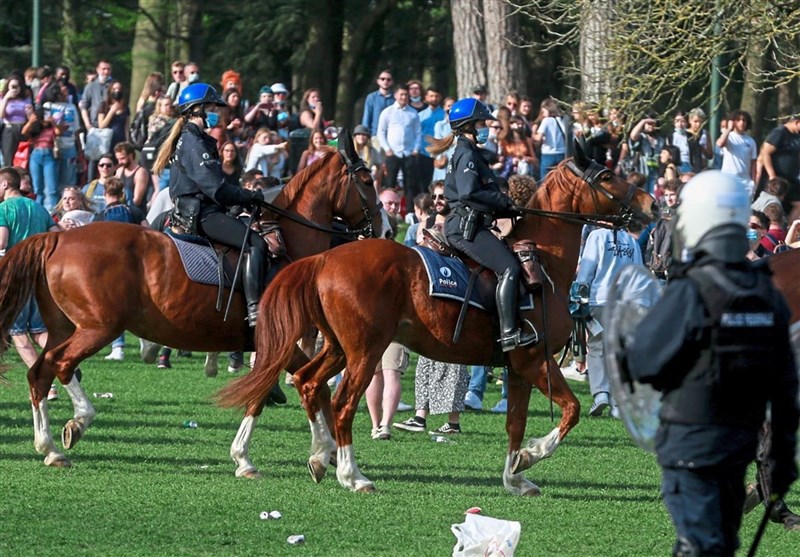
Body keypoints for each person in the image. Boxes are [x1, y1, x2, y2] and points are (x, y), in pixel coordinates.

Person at [624, 171, 799, 556]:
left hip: (691, 446)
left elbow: (645, 365)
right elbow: (786, 387)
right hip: (737, 446)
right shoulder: (765, 294)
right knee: (718, 542)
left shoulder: (692, 289)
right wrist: (783, 460)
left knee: (701, 546)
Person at [152, 83, 266, 326]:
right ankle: (255, 308)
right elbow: (215, 187)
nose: (216, 114)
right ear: (196, 110)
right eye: (212, 108)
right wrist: (248, 196)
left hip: (204, 208)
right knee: (255, 242)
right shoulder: (193, 141)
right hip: (200, 213)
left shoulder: (197, 139)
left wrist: (236, 204)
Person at [428, 97, 535, 352]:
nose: (485, 127)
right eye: (481, 123)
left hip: (471, 224)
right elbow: (468, 193)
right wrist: (504, 202)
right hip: (466, 228)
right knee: (509, 268)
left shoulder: (469, 152)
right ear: (469, 126)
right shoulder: (466, 153)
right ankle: (509, 332)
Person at [0, 167, 61, 398]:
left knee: (17, 333)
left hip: (16, 278)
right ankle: (67, 364)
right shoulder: (39, 207)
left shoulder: (3, 209)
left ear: (5, 185)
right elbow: (58, 235)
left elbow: (2, 242)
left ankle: (48, 385)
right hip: (40, 276)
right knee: (39, 331)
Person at [573, 221, 643, 417]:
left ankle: (601, 393)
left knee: (596, 348)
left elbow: (586, 270)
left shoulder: (596, 236)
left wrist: (578, 294)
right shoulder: (631, 240)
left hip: (600, 299)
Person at [377, 83, 421, 213]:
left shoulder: (413, 113)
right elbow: (381, 132)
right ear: (395, 95)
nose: (404, 97)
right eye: (401, 94)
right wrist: (387, 149)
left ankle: (409, 212)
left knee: (410, 184)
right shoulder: (387, 112)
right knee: (390, 183)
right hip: (393, 153)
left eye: (406, 95)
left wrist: (416, 149)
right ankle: (387, 211)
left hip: (409, 153)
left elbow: (418, 133)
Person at [757, 111, 800, 222]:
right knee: (771, 207)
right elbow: (765, 152)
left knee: (798, 204)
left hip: (791, 179)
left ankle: (788, 233)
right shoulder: (779, 132)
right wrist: (772, 175)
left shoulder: (797, 136)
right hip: (776, 180)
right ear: (797, 122)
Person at [361, 70, 395, 139]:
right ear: (378, 81)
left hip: (392, 136)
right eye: (382, 79)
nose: (385, 81)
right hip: (375, 135)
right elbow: (367, 117)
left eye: (388, 79)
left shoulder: (396, 98)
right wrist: (365, 135)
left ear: (392, 82)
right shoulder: (371, 97)